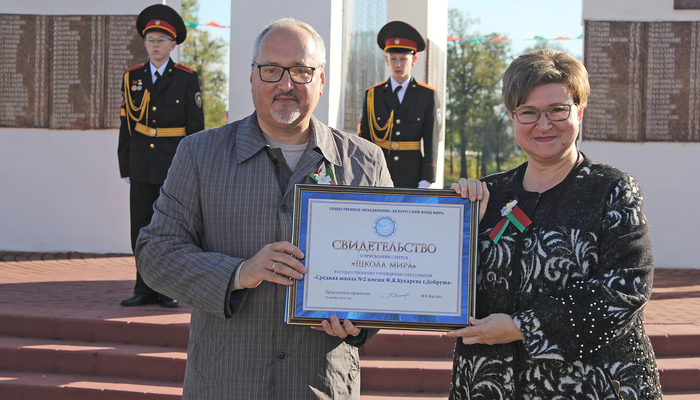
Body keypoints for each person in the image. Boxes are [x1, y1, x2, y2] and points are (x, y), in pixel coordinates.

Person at [135, 18, 392, 399]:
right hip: (225, 383)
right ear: (252, 77)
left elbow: (390, 270)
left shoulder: (364, 162)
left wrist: (362, 319)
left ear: (321, 80)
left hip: (320, 384)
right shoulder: (199, 155)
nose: (286, 84)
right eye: (271, 70)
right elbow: (156, 253)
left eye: (301, 71)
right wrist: (239, 273)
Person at [448, 49, 661, 399]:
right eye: (528, 112)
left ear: (579, 110)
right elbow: (443, 285)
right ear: (513, 117)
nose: (543, 125)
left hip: (591, 385)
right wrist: (460, 222)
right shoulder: (488, 194)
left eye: (557, 110)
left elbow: (626, 287)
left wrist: (522, 327)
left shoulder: (610, 189)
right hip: (491, 383)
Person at [118, 4, 204, 307]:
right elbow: (127, 125)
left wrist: (193, 168)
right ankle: (143, 287)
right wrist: (125, 164)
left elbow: (195, 129)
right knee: (140, 228)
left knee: (171, 230)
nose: (155, 45)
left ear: (173, 44)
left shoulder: (186, 78)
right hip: (142, 164)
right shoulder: (132, 78)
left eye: (161, 40)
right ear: (145, 43)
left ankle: (167, 288)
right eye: (150, 40)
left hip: (173, 165)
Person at [358, 21, 441, 188]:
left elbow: (432, 140)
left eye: (403, 59)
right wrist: (363, 171)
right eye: (393, 59)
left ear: (414, 60)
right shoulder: (372, 95)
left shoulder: (427, 95)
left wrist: (426, 179)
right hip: (378, 173)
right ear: (386, 60)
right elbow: (364, 138)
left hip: (413, 176)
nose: (398, 64)